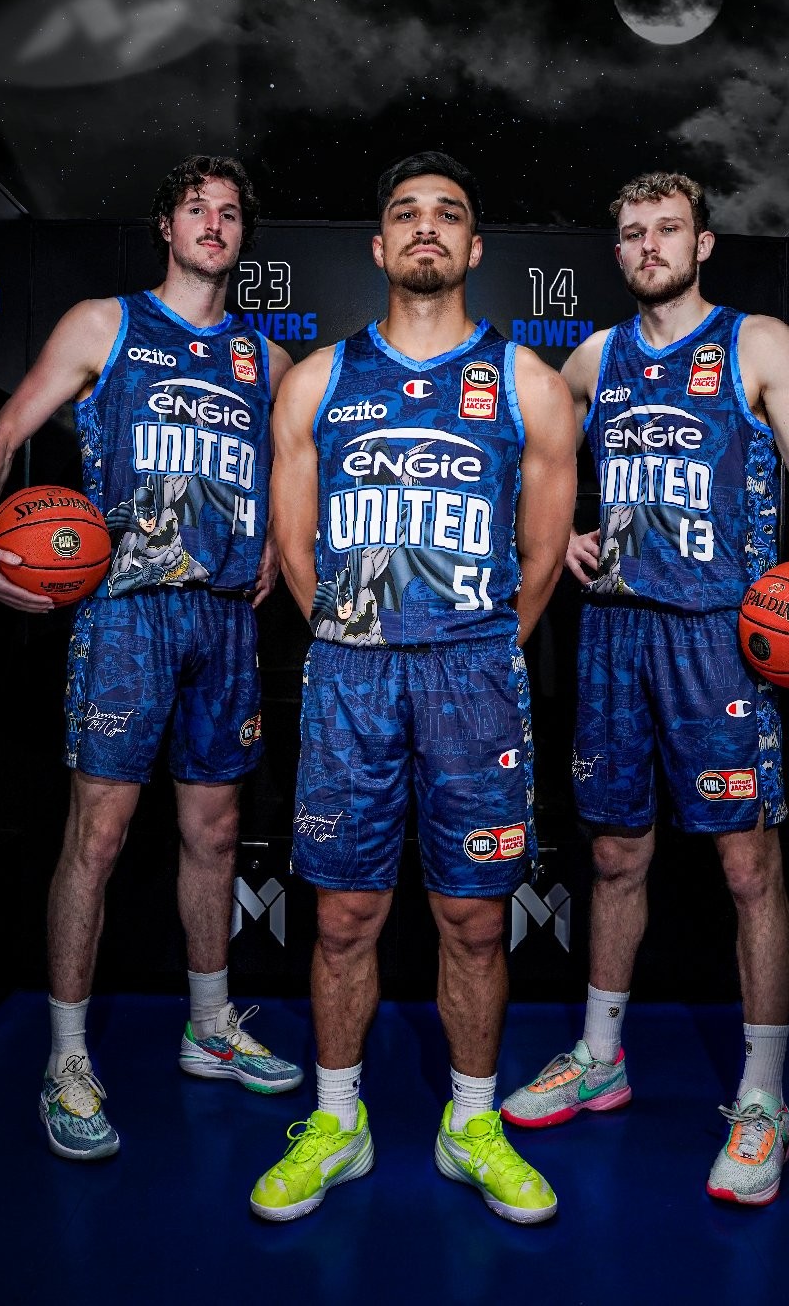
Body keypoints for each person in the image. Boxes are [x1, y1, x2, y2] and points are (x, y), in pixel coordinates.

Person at [499, 171, 789, 1206]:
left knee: (747, 867)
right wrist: (559, 528)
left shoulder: (756, 343)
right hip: (614, 635)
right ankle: (601, 1057)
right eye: (632, 233)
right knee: (611, 853)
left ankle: (762, 1097)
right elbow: (530, 455)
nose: (649, 246)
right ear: (619, 251)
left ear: (702, 243)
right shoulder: (594, 358)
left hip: (721, 640)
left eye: (667, 229)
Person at [0, 154, 303, 1161]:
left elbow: (294, 476)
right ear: (166, 227)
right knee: (97, 837)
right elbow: (5, 431)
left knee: (215, 831)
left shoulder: (268, 361)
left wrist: (277, 546)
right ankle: (67, 1058)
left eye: (229, 212)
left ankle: (209, 1027)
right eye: (195, 208)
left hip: (224, 623)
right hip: (124, 616)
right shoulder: (104, 325)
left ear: (241, 237)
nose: (213, 224)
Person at [248, 150, 578, 1223]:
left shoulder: (527, 383)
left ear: (475, 248)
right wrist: (358, 638)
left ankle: (469, 1122)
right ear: (379, 245)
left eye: (448, 213)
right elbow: (294, 550)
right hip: (350, 675)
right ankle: (337, 1122)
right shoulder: (316, 382)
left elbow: (542, 559)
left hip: (475, 678)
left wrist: (472, 647)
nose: (425, 227)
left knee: (474, 918)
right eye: (405, 213)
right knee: (344, 914)